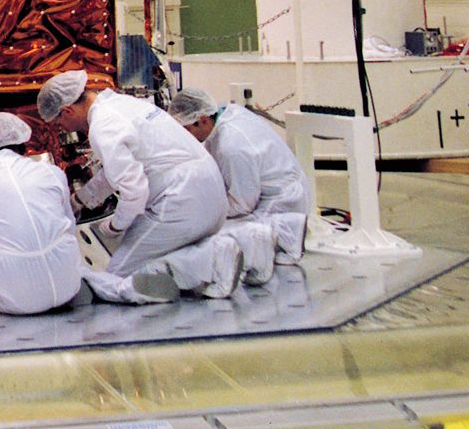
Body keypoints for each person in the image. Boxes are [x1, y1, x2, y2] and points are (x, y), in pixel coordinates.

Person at [36, 69, 239, 297]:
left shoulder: (103, 126)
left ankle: (211, 259)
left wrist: (115, 226)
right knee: (155, 258)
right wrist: (80, 201)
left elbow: (134, 191)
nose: (63, 129)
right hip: (212, 194)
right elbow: (115, 172)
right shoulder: (123, 104)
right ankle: (210, 255)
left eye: (59, 122)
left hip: (180, 203)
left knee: (117, 277)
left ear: (67, 111)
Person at [0, 112, 99, 315]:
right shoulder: (53, 173)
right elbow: (69, 226)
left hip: (19, 299)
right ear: (24, 141)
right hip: (69, 286)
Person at [167, 88, 309, 273]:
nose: (185, 137)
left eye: (186, 131)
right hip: (279, 190)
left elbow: (243, 205)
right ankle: (286, 227)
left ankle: (287, 229)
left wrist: (201, 211)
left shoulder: (231, 147)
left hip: (281, 202)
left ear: (202, 120)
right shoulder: (228, 113)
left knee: (213, 239)